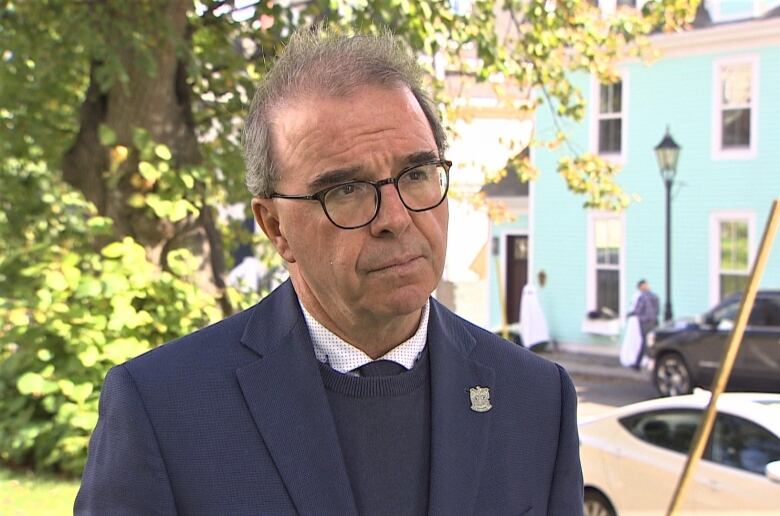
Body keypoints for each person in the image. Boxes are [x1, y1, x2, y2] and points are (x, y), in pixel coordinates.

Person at [75, 28, 583, 515]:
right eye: (346, 190)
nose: (395, 218)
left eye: (418, 174)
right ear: (275, 227)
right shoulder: (164, 409)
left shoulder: (536, 400)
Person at [627, 279, 660, 369]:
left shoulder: (642, 297)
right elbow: (657, 310)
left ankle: (641, 362)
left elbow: (638, 310)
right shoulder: (654, 296)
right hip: (653, 321)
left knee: (646, 342)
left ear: (642, 287)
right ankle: (644, 362)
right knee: (651, 341)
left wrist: (631, 314)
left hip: (645, 322)